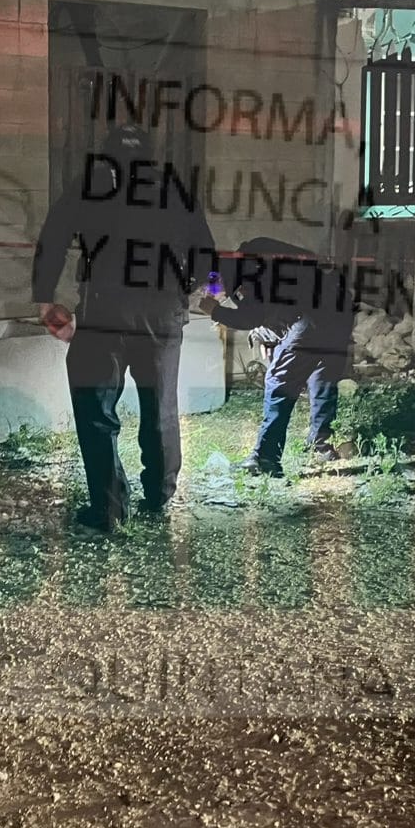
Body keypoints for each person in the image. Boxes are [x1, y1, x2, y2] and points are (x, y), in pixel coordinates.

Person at [32, 123, 219, 531]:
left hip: (105, 311)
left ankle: (109, 506)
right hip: (162, 312)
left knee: (95, 407)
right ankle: (160, 493)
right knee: (160, 405)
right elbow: (207, 255)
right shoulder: (175, 190)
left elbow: (54, 236)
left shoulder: (90, 185)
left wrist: (45, 297)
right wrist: (199, 290)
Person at [198, 237, 355, 477]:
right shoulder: (262, 257)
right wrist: (267, 335)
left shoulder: (247, 267)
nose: (216, 291)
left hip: (312, 320)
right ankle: (321, 446)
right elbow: (280, 303)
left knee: (279, 381)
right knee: (321, 378)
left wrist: (215, 311)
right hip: (340, 314)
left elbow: (252, 316)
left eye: (214, 286)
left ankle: (265, 458)